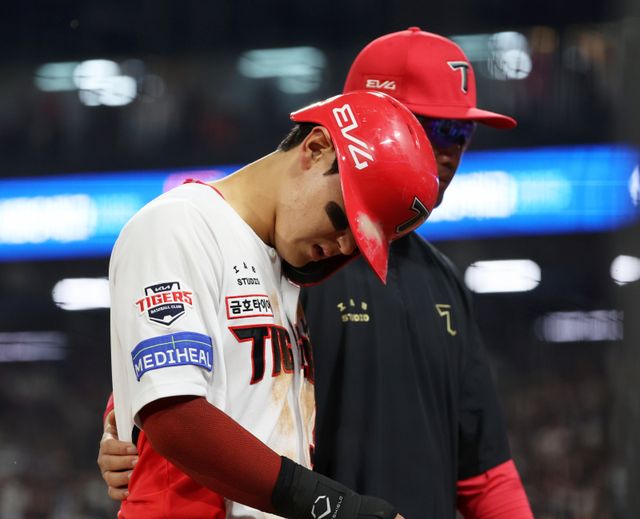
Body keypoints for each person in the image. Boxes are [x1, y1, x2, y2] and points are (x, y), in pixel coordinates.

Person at [99, 28, 535, 518]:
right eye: (424, 127)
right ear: (324, 144)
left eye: (461, 134)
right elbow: (171, 398)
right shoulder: (237, 236)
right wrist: (129, 420)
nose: (446, 150)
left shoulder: (301, 262)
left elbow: (486, 469)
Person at [107, 89, 439, 519]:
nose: (344, 246)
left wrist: (117, 413)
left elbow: (194, 370)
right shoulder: (178, 224)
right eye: (345, 218)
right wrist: (337, 509)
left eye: (358, 241)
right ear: (315, 149)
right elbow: (174, 416)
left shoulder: (285, 264)